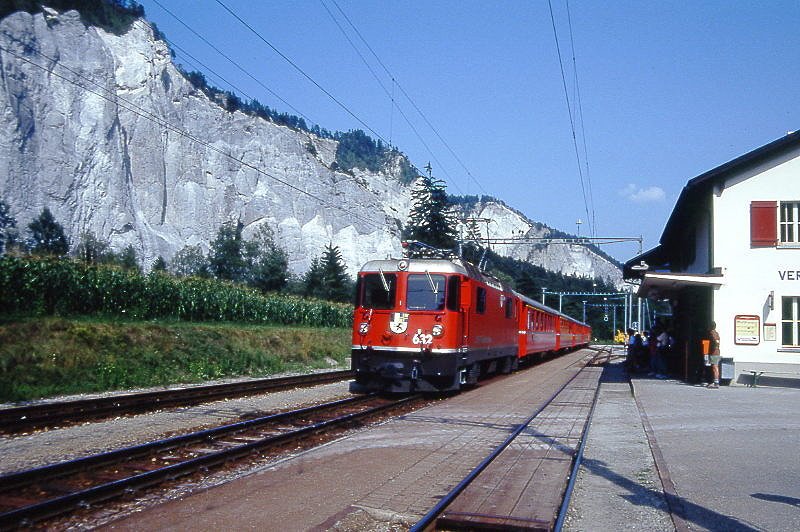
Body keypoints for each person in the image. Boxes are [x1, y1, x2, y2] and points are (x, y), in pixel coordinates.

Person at [707, 321, 721, 388]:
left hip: (714, 353)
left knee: (714, 367)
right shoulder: (716, 333)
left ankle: (715, 382)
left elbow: (715, 342)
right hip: (717, 352)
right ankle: (715, 382)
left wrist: (712, 348)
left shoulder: (712, 333)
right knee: (715, 367)